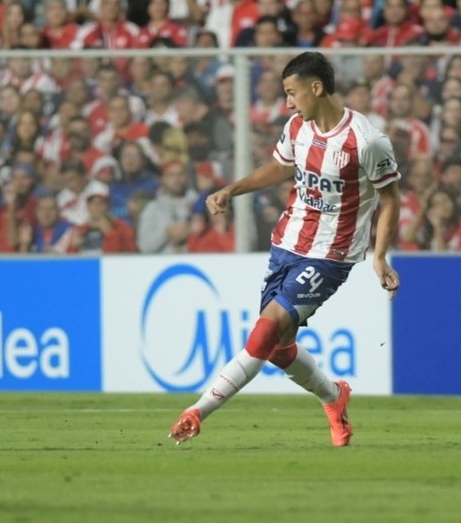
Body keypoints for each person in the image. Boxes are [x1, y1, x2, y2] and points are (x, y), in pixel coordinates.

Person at [168, 52, 401, 447]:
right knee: (278, 348)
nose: (288, 103)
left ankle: (197, 412)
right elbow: (280, 167)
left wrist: (378, 257)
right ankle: (334, 396)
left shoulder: (367, 141)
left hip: (331, 254)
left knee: (264, 332)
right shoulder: (297, 128)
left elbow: (390, 198)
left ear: (316, 87)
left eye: (292, 93)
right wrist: (232, 190)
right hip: (286, 243)